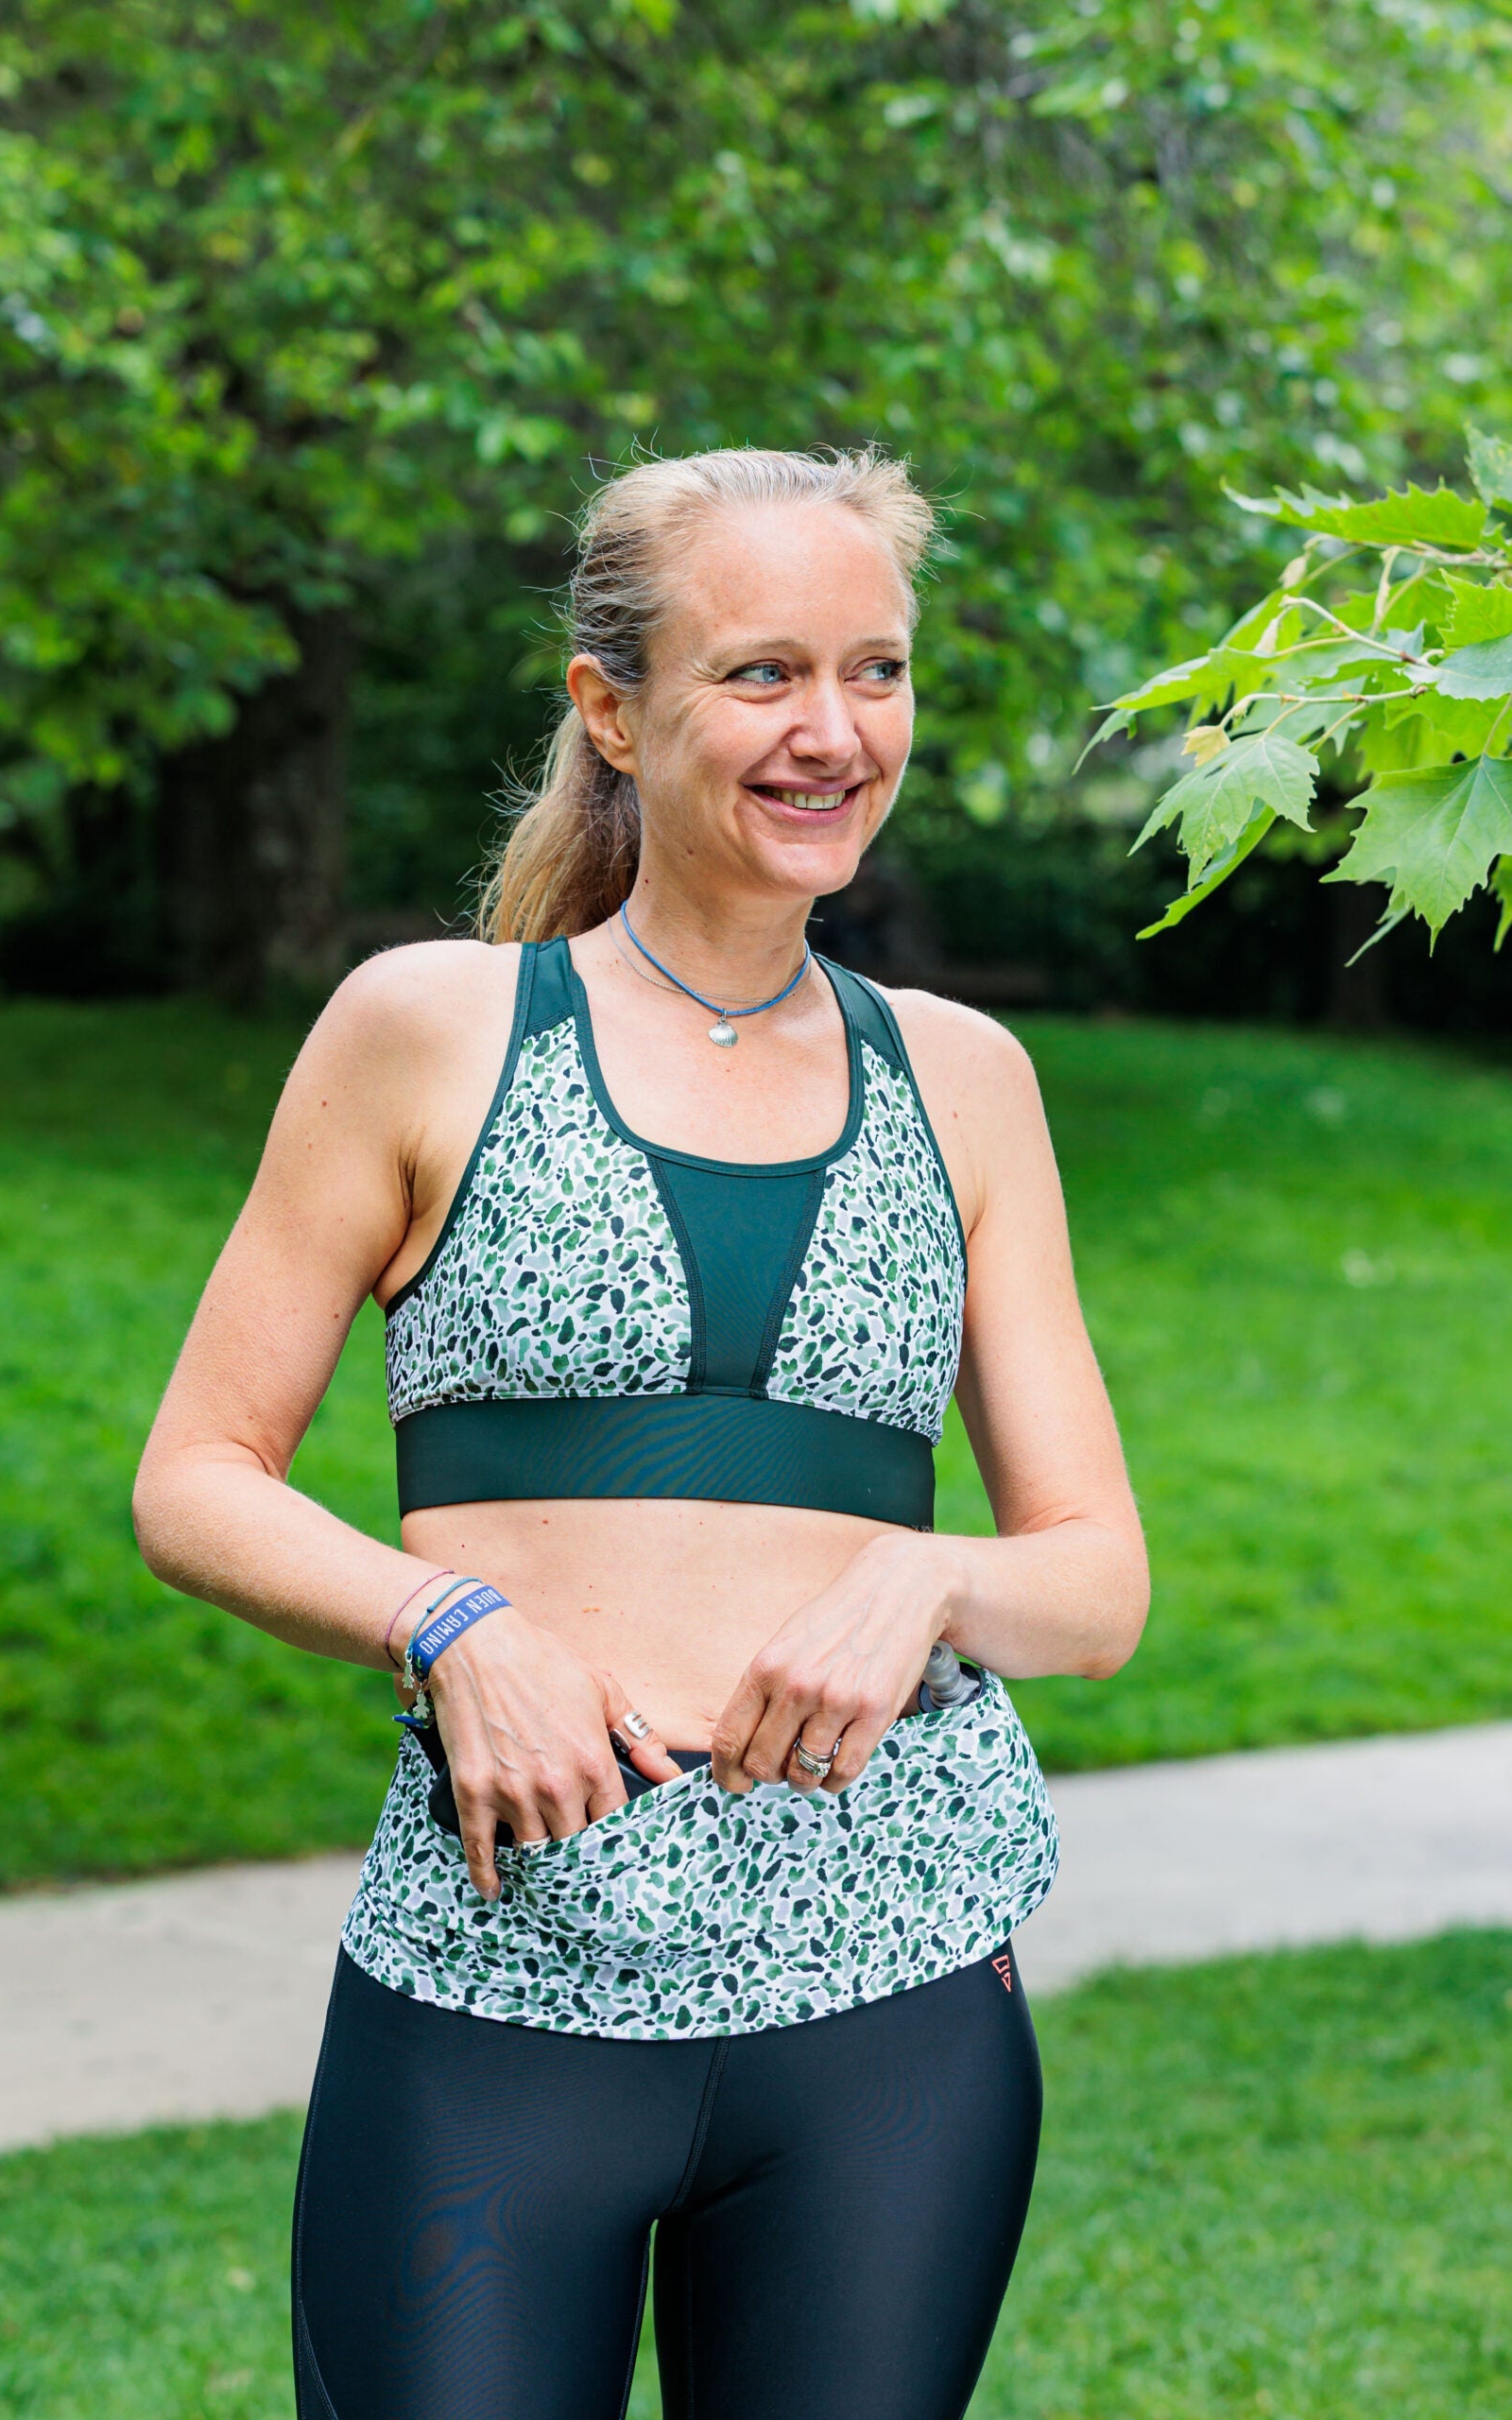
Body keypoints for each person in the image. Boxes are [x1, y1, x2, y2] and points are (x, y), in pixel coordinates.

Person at [134, 444, 1148, 2420]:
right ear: (609, 706)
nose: (833, 730)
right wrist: (450, 1624)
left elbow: (1093, 1580)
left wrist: (922, 1574)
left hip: (892, 1987)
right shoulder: (427, 1027)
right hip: (502, 1976)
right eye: (761, 673)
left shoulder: (963, 1078)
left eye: (877, 670)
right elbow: (194, 1476)